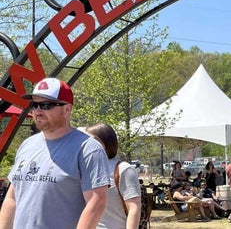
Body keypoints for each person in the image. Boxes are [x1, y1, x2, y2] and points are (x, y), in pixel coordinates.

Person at [0, 77, 110, 228]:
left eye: (46, 105)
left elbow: (96, 202)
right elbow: (12, 197)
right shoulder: (27, 145)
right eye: (34, 104)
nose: (37, 111)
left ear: (67, 109)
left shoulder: (88, 149)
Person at [86, 123, 142, 229]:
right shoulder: (86, 169)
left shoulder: (123, 169)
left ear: (106, 142)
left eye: (92, 141)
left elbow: (134, 208)